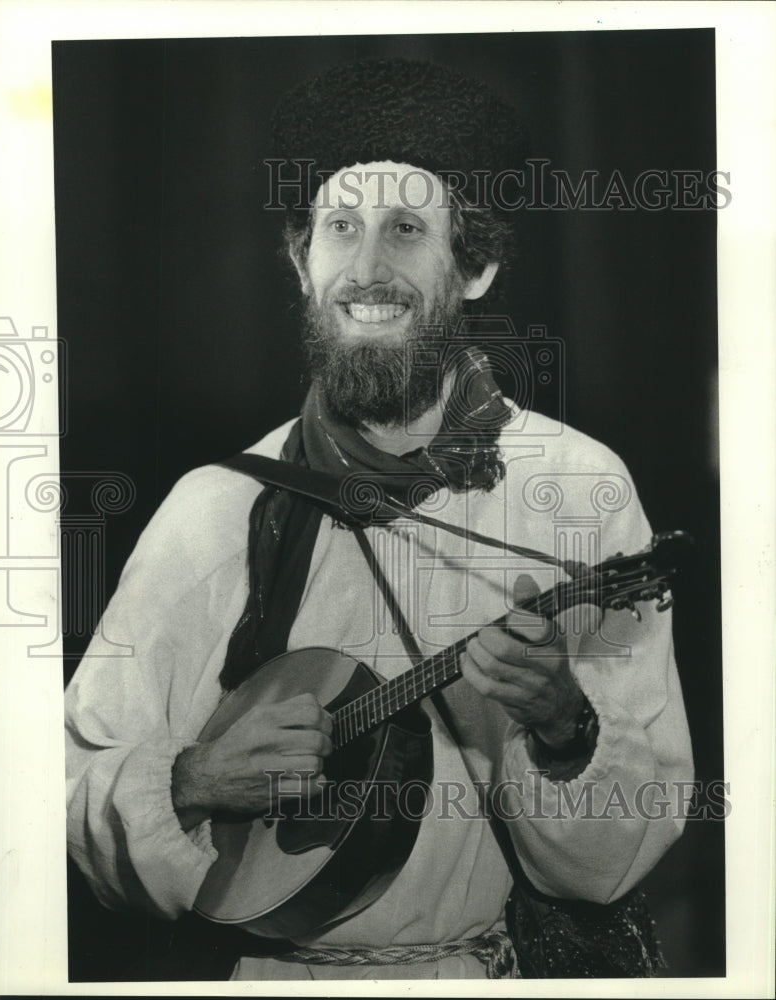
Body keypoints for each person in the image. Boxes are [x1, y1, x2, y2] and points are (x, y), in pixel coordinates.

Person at [65, 58, 694, 981]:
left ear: (472, 267)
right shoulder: (213, 507)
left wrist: (566, 726)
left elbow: (616, 866)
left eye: (405, 231)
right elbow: (58, 791)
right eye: (339, 230)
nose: (366, 272)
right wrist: (191, 781)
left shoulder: (575, 485)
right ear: (299, 260)